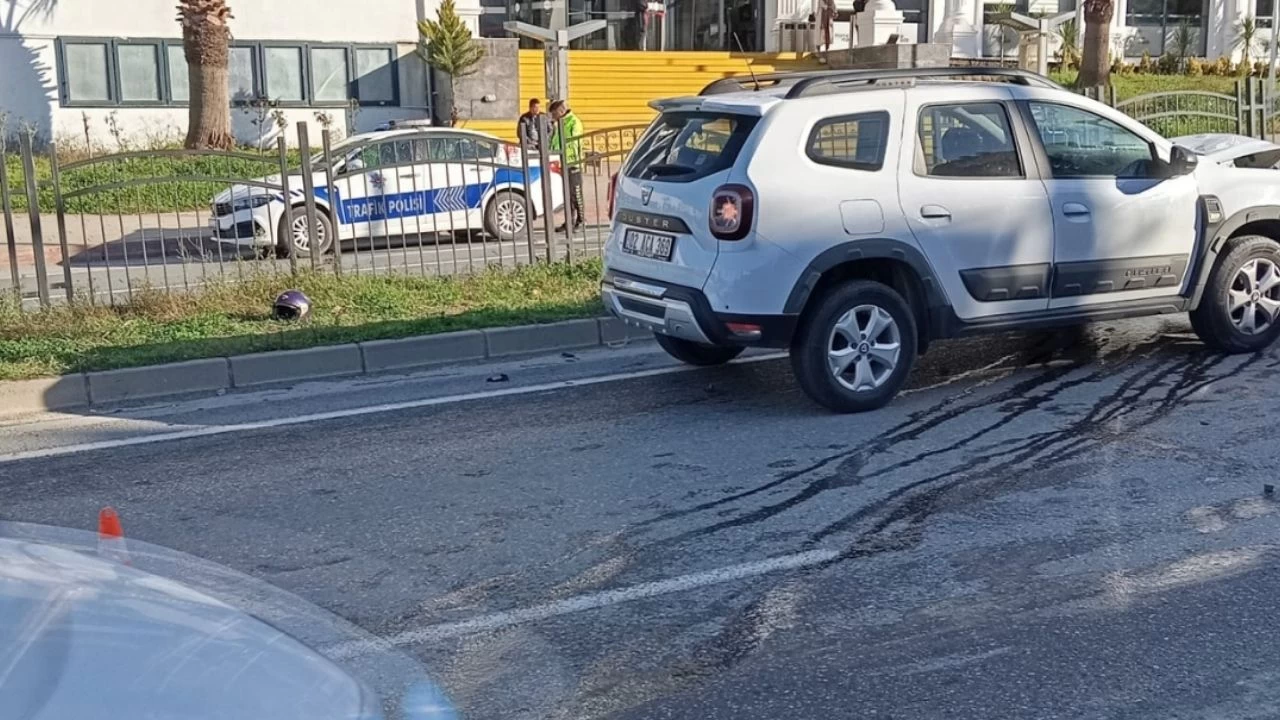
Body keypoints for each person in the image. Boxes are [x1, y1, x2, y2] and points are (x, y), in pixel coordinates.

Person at [548, 99, 585, 231]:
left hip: (573, 163)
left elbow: (573, 142)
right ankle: (569, 221)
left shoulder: (573, 122)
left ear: (561, 111)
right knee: (567, 195)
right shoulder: (560, 123)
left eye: (554, 113)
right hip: (562, 162)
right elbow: (555, 141)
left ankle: (581, 220)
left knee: (576, 193)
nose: (553, 116)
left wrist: (573, 159)